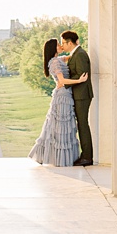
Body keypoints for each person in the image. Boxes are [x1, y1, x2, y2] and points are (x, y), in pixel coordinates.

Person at [29, 35, 81, 167]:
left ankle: (60, 157)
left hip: (65, 95)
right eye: (59, 44)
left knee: (60, 126)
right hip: (62, 96)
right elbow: (62, 81)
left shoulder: (58, 59)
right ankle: (59, 158)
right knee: (60, 126)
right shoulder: (55, 62)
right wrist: (79, 80)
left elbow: (71, 55)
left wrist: (76, 45)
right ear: (54, 48)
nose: (61, 46)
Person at [62, 30, 95, 166]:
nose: (63, 46)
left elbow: (82, 75)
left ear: (70, 42)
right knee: (81, 124)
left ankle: (87, 157)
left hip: (82, 95)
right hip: (78, 94)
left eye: (64, 43)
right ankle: (85, 155)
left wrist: (65, 81)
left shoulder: (80, 54)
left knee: (82, 125)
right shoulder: (75, 54)